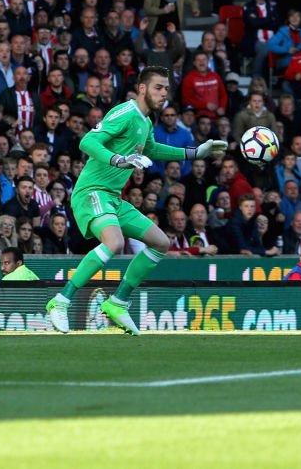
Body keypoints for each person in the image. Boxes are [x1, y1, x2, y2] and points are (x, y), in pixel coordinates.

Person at [46, 67, 229, 335]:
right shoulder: (126, 113)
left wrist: (195, 152)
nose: (164, 93)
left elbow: (152, 149)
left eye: (166, 88)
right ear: (142, 88)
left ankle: (118, 303)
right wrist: (118, 159)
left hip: (113, 198)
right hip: (92, 191)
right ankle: (60, 301)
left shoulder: (145, 121)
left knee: (160, 243)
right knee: (115, 242)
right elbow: (87, 141)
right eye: (158, 87)